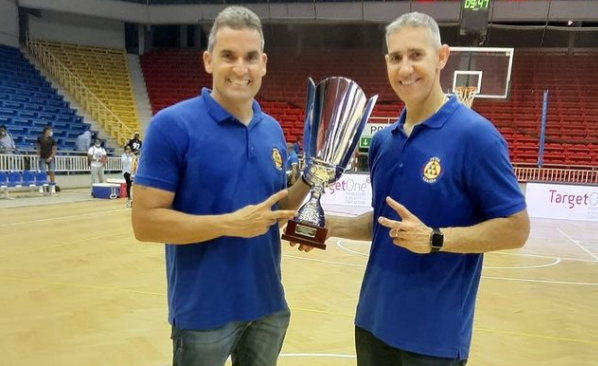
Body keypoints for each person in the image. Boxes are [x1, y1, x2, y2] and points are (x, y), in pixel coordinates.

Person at [321, 12, 530, 366]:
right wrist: (331, 226)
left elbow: (516, 228)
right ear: (386, 62)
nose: (405, 69)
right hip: (371, 324)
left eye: (416, 55)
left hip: (434, 340)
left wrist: (435, 239)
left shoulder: (476, 136)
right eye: (396, 57)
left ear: (442, 57)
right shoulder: (384, 141)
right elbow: (387, 222)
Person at [131, 6, 311, 366]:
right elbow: (145, 223)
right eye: (228, 56)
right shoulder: (171, 126)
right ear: (208, 60)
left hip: (268, 307)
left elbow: (270, 213)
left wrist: (311, 180)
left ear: (264, 63)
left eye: (249, 57)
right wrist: (230, 224)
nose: (240, 69)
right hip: (203, 314)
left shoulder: (273, 131)